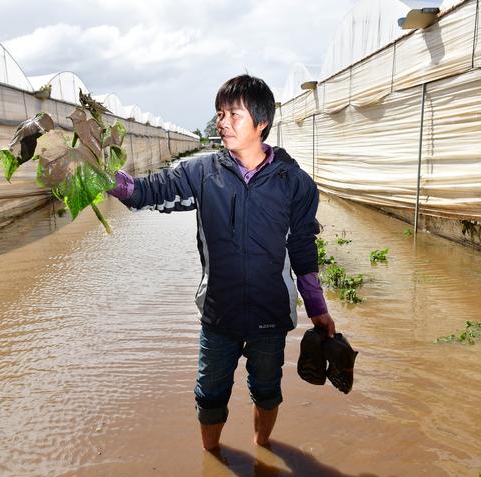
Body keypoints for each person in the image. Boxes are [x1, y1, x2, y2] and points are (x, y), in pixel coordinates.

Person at [107, 74, 336, 450]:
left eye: (233, 114)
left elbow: (302, 248)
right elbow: (148, 193)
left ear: (261, 122)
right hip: (219, 314)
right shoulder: (201, 173)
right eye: (219, 114)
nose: (223, 122)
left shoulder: (293, 182)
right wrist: (105, 177)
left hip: (270, 315)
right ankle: (212, 458)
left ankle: (262, 447)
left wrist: (317, 308)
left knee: (266, 391)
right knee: (209, 395)